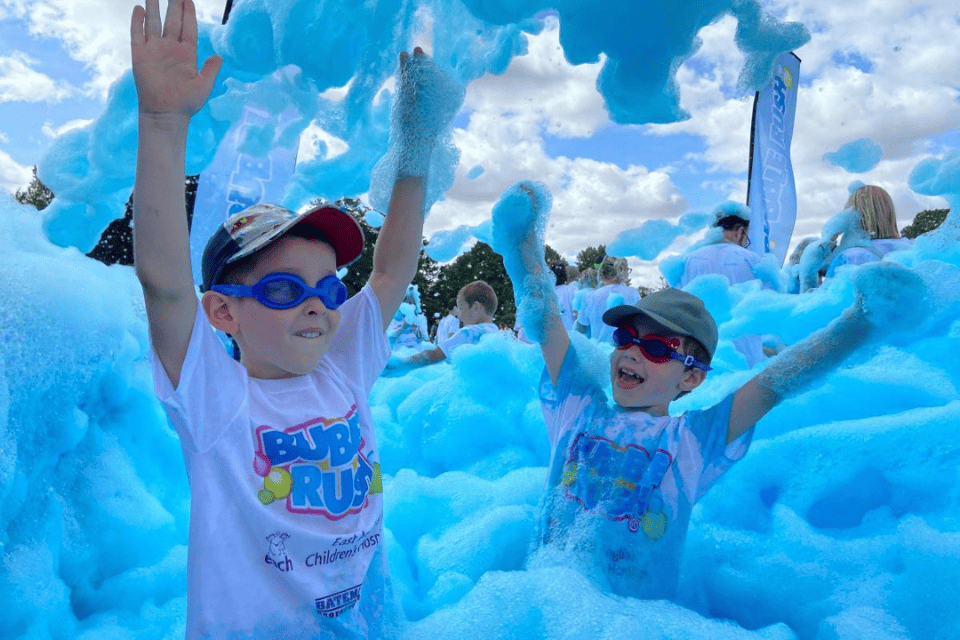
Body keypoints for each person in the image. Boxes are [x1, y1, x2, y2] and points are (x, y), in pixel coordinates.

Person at [130, 1, 461, 637]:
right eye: (284, 290)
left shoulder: (343, 370)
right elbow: (166, 287)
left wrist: (415, 151)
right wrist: (164, 123)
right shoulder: (215, 400)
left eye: (328, 289)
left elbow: (389, 273)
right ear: (224, 312)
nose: (316, 304)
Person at [491, 180, 916, 602]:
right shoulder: (578, 410)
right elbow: (545, 321)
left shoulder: (692, 440)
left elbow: (775, 383)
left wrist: (860, 326)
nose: (633, 353)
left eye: (656, 347)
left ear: (690, 378)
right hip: (542, 601)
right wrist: (524, 246)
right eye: (625, 339)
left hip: (626, 621)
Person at [679, 201, 770, 367]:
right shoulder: (752, 259)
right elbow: (770, 304)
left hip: (700, 349)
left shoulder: (689, 260)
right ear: (739, 231)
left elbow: (680, 304)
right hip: (747, 351)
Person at [402, 280, 499, 366]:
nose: (459, 316)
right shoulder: (497, 334)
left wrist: (400, 363)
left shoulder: (469, 332)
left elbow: (433, 355)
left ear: (475, 307)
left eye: (461, 309)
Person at [826, 185, 911, 277]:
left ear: (851, 216)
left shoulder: (851, 256)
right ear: (889, 214)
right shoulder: (911, 249)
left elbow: (826, 290)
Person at [575, 256, 640, 344]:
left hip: (599, 351)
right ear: (622, 271)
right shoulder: (632, 293)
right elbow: (640, 323)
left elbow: (581, 327)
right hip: (625, 351)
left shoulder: (589, 296)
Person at [387, 286, 428, 350]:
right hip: (400, 354)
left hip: (416, 353)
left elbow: (424, 339)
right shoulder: (394, 318)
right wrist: (403, 327)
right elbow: (390, 339)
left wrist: (415, 329)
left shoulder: (421, 318)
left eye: (412, 303)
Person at [554, 264, 580, 331]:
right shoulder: (574, 290)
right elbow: (578, 315)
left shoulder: (545, 293)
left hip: (553, 336)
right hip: (571, 333)